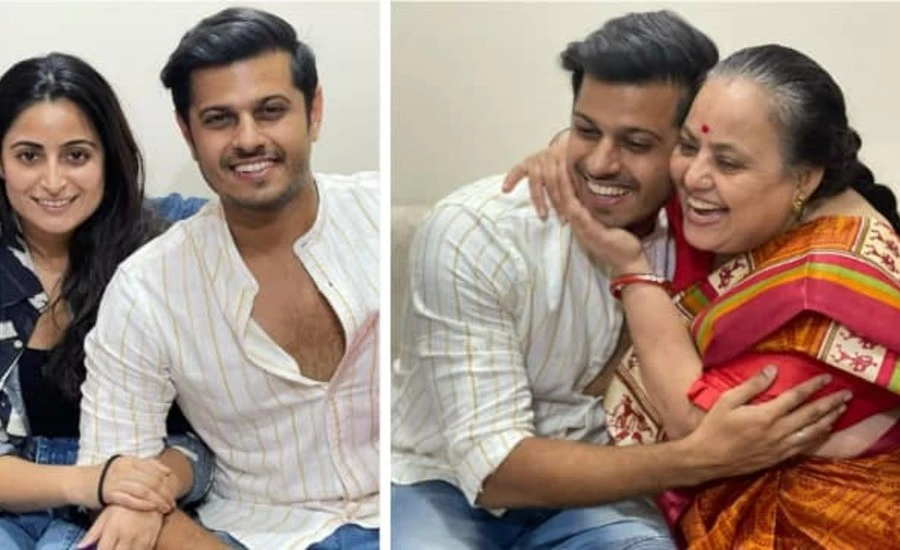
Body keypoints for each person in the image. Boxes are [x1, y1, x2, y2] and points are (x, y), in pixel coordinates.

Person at [391, 11, 849, 549]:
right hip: (441, 482)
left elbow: (838, 196)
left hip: (605, 493)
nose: (602, 163)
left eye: (636, 143)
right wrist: (696, 459)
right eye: (586, 131)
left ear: (686, 145)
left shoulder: (709, 229)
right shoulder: (478, 232)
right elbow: (493, 468)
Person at [544, 44, 900, 548]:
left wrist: (631, 271)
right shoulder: (761, 212)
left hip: (829, 528)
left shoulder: (831, 284)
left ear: (804, 177)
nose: (693, 177)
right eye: (688, 146)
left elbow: (701, 432)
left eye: (727, 162)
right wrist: (573, 149)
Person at [75, 7, 379, 549]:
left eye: (270, 111)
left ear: (313, 111)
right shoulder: (148, 289)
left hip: (402, 508)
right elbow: (119, 479)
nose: (248, 139)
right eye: (219, 119)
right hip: (254, 532)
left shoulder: (375, 214)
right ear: (188, 133)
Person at [0, 53, 212, 549]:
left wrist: (142, 491)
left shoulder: (167, 248)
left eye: (76, 156)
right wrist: (93, 481)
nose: (54, 181)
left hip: (144, 495)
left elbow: (207, 437)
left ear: (109, 159)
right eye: (29, 156)